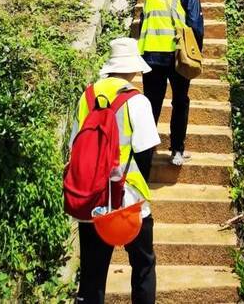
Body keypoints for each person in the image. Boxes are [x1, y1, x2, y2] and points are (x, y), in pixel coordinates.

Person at [68, 37, 160, 304]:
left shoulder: (86, 96)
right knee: (143, 266)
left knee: (92, 278)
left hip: (91, 200)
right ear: (133, 67)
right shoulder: (137, 101)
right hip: (129, 200)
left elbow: (76, 146)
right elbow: (145, 152)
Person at [138, 0, 204, 166]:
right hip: (177, 56)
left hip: (150, 56)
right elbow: (195, 27)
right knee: (180, 102)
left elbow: (143, 23)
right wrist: (196, 55)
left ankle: (144, 155)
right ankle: (177, 150)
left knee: (151, 105)